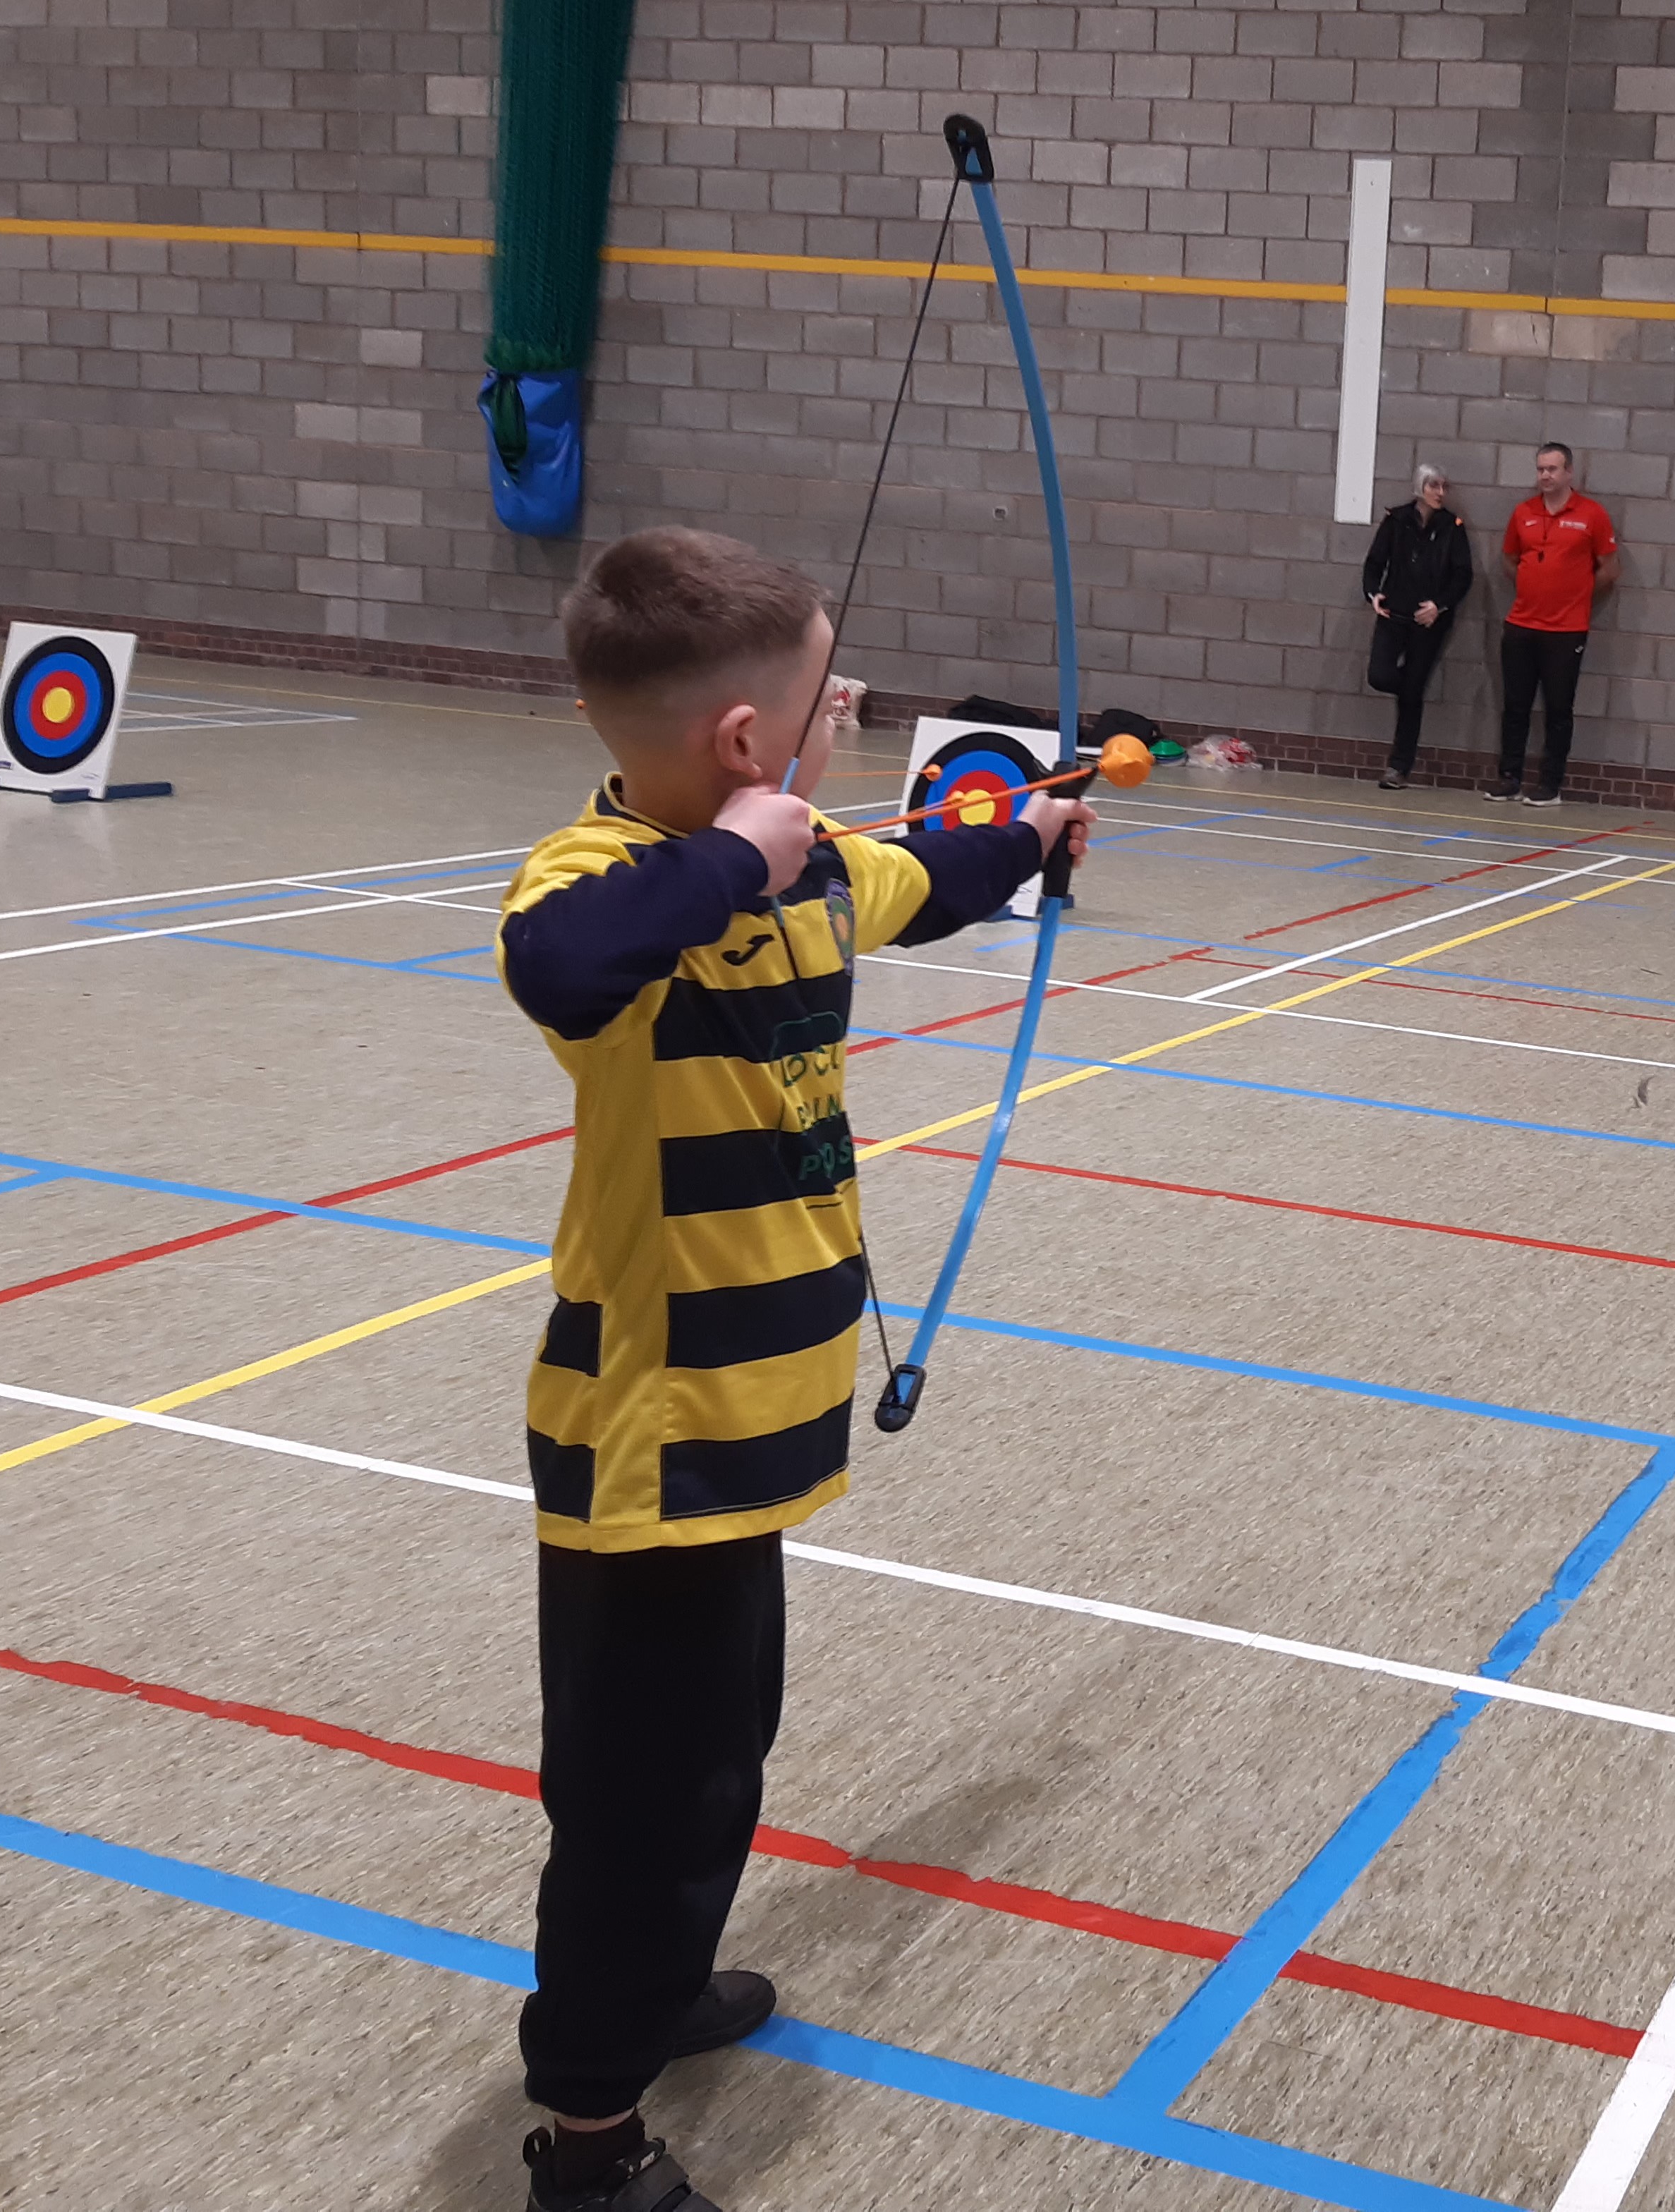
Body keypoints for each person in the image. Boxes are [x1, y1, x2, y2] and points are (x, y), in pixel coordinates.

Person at [495, 527, 1092, 2212]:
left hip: (751, 1427)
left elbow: (925, 880)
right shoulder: (585, 884)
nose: (850, 720)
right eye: (830, 699)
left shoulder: (816, 856)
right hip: (647, 1434)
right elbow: (563, 967)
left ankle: (662, 1981)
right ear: (747, 742)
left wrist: (1025, 835)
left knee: (713, 1744)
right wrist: (744, 859)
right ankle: (590, 2135)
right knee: (634, 1783)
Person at [1489, 440, 1618, 806]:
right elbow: (1510, 560)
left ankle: (1550, 784)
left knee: (1558, 709)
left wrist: (1574, 597)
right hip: (1521, 625)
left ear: (1569, 472)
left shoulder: (1592, 514)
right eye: (1541, 469)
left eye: (1553, 469)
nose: (1545, 475)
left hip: (1566, 631)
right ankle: (1509, 778)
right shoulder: (1523, 513)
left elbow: (1610, 569)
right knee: (1515, 705)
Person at [1361, 462, 1471, 787]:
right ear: (1419, 488)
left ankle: (1399, 768)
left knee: (1411, 698)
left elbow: (1463, 575)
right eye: (1433, 486)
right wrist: (1373, 594)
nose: (1439, 493)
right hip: (1394, 615)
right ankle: (1410, 688)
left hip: (1428, 622)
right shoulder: (1396, 520)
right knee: (1380, 676)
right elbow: (1374, 563)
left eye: (1443, 487)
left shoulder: (1453, 526)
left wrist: (1440, 606)